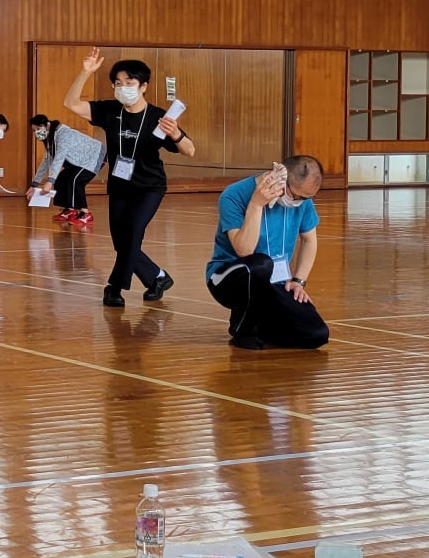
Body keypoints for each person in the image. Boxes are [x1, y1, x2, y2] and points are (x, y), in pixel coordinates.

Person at [64, 49, 195, 307]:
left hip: (150, 187)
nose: (123, 88)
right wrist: (85, 73)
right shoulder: (110, 110)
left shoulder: (158, 117)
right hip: (119, 186)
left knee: (133, 233)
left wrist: (176, 134)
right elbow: (71, 104)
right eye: (118, 83)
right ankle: (157, 277)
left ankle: (114, 287)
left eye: (129, 82)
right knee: (122, 243)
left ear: (143, 86)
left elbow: (190, 150)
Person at [207, 156, 329, 351]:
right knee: (261, 264)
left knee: (316, 334)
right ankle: (242, 329)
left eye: (306, 198)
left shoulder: (302, 200)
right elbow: (244, 250)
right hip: (229, 277)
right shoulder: (233, 195)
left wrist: (298, 281)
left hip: (274, 282)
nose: (299, 202)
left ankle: (262, 326)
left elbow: (309, 240)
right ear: (281, 178)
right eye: (297, 196)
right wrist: (256, 204)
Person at [27, 112, 104, 227]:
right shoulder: (49, 139)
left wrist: (49, 181)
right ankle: (69, 210)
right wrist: (34, 184)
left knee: (75, 180)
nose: (36, 132)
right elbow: (47, 161)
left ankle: (85, 213)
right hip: (77, 161)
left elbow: (59, 158)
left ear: (48, 125)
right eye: (34, 130)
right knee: (61, 179)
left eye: (38, 129)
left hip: (94, 156)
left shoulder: (63, 134)